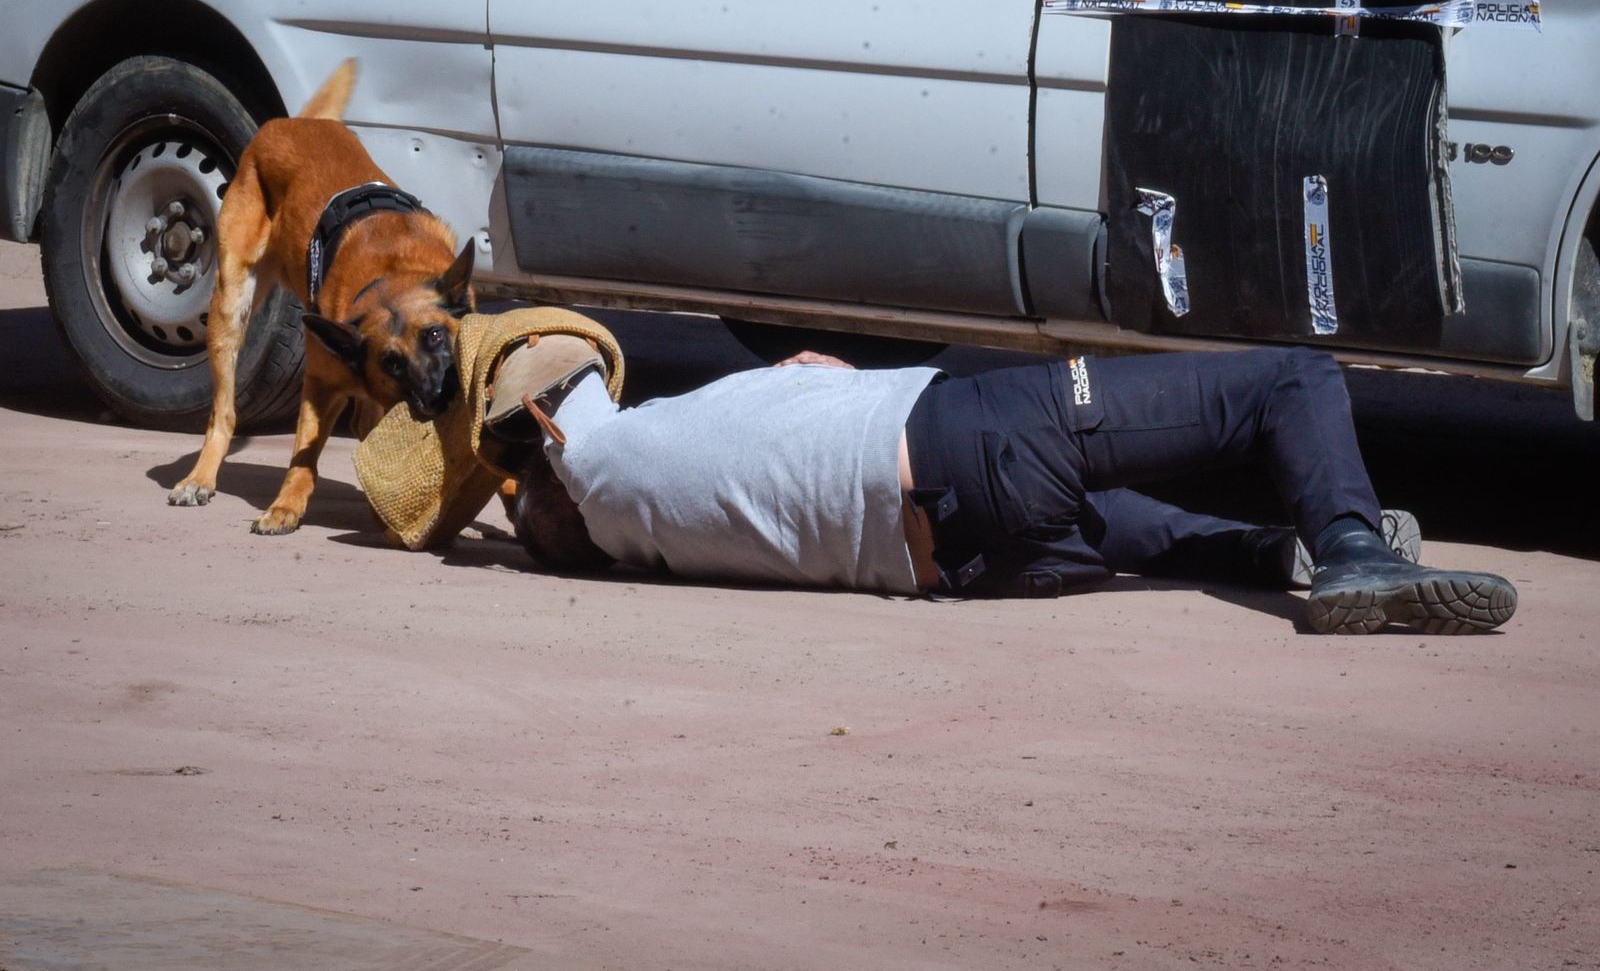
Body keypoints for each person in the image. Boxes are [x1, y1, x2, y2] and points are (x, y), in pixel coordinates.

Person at [503, 344, 1516, 635]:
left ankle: (1259, 553)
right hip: (963, 439)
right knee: (1289, 379)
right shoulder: (599, 451)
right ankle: (1346, 545)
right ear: (552, 458)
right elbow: (544, 366)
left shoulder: (643, 539)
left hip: (965, 561)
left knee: (1102, 522)